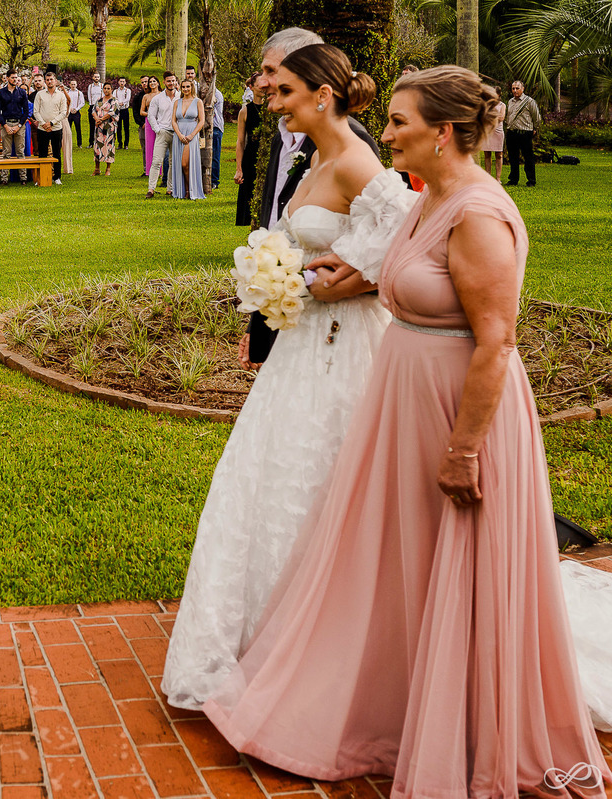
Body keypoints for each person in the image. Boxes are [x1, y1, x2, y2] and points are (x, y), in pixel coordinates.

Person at [199, 65, 612, 796]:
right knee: (405, 552)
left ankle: (462, 720)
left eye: (398, 121)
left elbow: (497, 341)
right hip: (404, 401)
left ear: (443, 133)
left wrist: (463, 449)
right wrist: (337, 266)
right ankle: (396, 700)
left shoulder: (478, 214)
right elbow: (399, 270)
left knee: (456, 554)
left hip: (459, 412)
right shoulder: (431, 200)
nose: (384, 132)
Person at [161, 41, 411, 713]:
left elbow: (409, 240)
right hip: (300, 350)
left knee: (325, 477)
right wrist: (280, 282)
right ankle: (268, 632)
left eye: (288, 92)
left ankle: (331, 644)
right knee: (269, 479)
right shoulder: (311, 154)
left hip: (343, 349)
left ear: (322, 95)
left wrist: (345, 285)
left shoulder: (357, 158)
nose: (277, 100)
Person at [241, 28, 380, 368]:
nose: (263, 84)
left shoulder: (354, 151)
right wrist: (260, 324)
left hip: (342, 337)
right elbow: (279, 235)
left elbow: (397, 244)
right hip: (297, 324)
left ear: (320, 91)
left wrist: (344, 285)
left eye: (276, 77)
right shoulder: (289, 141)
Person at [234, 73, 264, 225]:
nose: (263, 87)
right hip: (251, 155)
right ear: (251, 87)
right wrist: (239, 168)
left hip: (269, 153)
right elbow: (240, 141)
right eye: (259, 84)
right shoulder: (245, 111)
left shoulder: (273, 108)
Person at [170, 78, 205, 199]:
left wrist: (191, 135)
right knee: (180, 164)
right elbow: (173, 121)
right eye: (183, 87)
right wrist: (179, 134)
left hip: (191, 135)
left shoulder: (198, 101)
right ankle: (183, 190)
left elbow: (201, 121)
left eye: (188, 87)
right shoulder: (177, 102)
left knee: (185, 164)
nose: (185, 89)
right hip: (178, 135)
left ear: (192, 87)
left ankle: (190, 189)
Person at [146, 72, 179, 198]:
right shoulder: (157, 98)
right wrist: (158, 130)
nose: (171, 83)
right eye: (168, 81)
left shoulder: (180, 97)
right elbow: (151, 116)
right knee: (157, 161)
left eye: (173, 81)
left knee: (172, 162)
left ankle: (170, 189)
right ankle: (151, 189)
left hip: (176, 133)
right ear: (164, 82)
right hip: (162, 132)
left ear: (176, 82)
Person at [0, 71, 29, 184]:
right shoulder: (1, 93)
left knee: (20, 151)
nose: (15, 80)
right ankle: (4, 178)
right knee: (6, 152)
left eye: (16, 77)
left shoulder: (22, 93)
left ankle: (23, 178)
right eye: (13, 77)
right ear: (7, 78)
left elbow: (26, 111)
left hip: (19, 123)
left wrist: (19, 126)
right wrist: (5, 126)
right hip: (6, 123)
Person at [505, 79, 541, 187]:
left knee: (528, 157)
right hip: (512, 132)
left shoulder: (529, 101)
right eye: (513, 88)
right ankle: (513, 179)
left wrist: (535, 128)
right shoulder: (510, 101)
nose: (515, 91)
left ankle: (531, 180)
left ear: (523, 89)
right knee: (513, 157)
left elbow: (537, 117)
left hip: (525, 132)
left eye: (517, 88)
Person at [33, 72, 67, 185]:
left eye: (51, 79)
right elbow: (36, 111)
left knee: (57, 153)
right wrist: (43, 124)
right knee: (42, 153)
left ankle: (56, 177)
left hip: (56, 128)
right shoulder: (40, 94)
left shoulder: (61, 95)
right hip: (42, 129)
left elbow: (63, 113)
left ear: (55, 81)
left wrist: (51, 123)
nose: (49, 81)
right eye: (47, 80)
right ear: (45, 81)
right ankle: (41, 177)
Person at [92, 82, 119, 176]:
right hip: (98, 126)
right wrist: (97, 119)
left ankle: (108, 168)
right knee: (97, 145)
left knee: (109, 145)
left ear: (112, 89)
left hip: (109, 127)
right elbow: (94, 110)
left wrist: (101, 119)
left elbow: (112, 112)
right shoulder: (99, 100)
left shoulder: (114, 101)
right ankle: (97, 168)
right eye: (105, 88)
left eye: (108, 88)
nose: (106, 90)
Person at [480, 84, 506, 180]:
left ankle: (498, 178)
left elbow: (501, 117)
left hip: (498, 131)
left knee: (499, 155)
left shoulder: (502, 105)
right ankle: (488, 177)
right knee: (487, 154)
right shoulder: (486, 104)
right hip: (487, 131)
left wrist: (489, 116)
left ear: (499, 95)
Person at [141, 76, 161, 179]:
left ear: (158, 83)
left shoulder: (162, 95)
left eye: (154, 81)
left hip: (161, 121)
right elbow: (141, 111)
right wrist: (150, 115)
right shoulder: (146, 96)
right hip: (149, 122)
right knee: (150, 146)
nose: (152, 83)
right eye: (150, 82)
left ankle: (161, 171)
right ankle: (149, 171)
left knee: (160, 145)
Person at [130, 75, 149, 175]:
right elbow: (136, 113)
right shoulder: (138, 97)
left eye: (146, 81)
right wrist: (142, 124)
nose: (145, 84)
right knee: (145, 148)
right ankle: (146, 169)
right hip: (143, 125)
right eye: (143, 82)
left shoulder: (156, 95)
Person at [208, 84, 224, 189]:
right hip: (205, 128)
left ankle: (214, 180)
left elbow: (211, 112)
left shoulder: (216, 94)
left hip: (215, 127)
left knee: (214, 156)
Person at [113, 77, 132, 149]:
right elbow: (114, 99)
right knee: (118, 127)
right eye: (120, 81)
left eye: (123, 81)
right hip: (118, 110)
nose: (122, 83)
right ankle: (120, 143)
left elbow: (128, 98)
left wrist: (122, 103)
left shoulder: (128, 90)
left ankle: (126, 144)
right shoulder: (115, 91)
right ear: (118, 82)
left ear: (125, 82)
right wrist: (118, 103)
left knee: (126, 127)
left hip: (125, 109)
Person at [66, 78, 85, 146]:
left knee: (78, 128)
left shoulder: (79, 93)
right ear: (69, 85)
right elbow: (65, 102)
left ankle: (79, 144)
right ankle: (67, 143)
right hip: (69, 113)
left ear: (76, 85)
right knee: (68, 129)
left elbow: (82, 103)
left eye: (74, 84)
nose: (73, 85)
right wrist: (70, 109)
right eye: (72, 84)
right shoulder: (67, 92)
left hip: (76, 113)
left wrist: (76, 109)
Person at [86, 72, 102, 147]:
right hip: (92, 107)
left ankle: (99, 142)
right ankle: (91, 143)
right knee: (92, 126)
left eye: (98, 77)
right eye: (95, 77)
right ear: (93, 78)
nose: (96, 78)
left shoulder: (102, 86)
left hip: (100, 107)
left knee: (100, 125)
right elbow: (89, 96)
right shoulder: (90, 86)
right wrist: (91, 105)